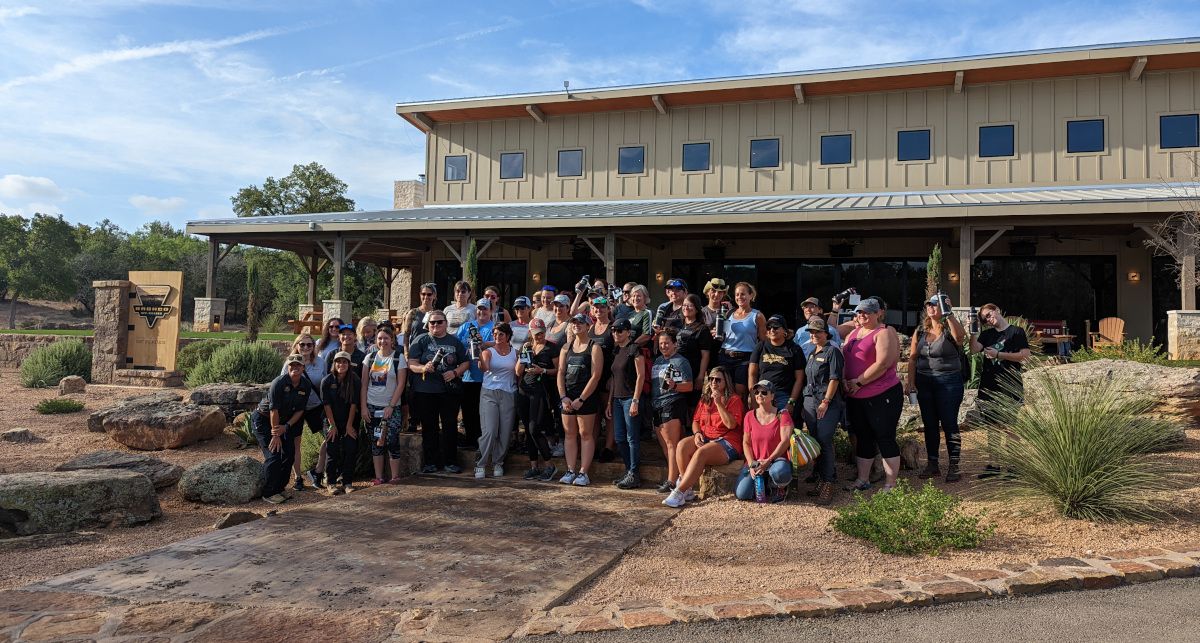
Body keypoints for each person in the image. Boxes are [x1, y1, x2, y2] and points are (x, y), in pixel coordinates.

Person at [841, 298, 903, 493]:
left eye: (867, 312)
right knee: (863, 437)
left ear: (878, 313)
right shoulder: (853, 332)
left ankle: (890, 484)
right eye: (859, 312)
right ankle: (863, 479)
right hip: (855, 395)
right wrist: (845, 380)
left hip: (881, 393)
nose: (862, 315)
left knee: (885, 436)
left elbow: (883, 363)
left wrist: (859, 382)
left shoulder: (884, 332)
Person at [906, 293, 968, 483]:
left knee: (949, 424)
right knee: (930, 424)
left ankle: (954, 465)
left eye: (936, 304)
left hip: (949, 382)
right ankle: (933, 464)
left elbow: (960, 338)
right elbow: (913, 357)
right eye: (929, 305)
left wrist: (949, 314)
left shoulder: (949, 328)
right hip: (925, 382)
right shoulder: (920, 331)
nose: (931, 308)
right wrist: (910, 382)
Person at [664, 366, 745, 508]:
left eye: (718, 379)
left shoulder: (734, 399)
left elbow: (731, 425)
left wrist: (719, 403)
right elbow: (695, 421)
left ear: (726, 381)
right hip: (706, 437)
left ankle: (679, 491)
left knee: (702, 452)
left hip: (727, 441)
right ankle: (687, 490)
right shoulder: (705, 399)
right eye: (711, 379)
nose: (714, 382)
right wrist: (697, 434)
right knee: (682, 445)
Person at [969, 303, 1031, 479]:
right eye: (985, 319)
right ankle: (994, 465)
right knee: (992, 426)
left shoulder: (1016, 332)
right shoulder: (987, 334)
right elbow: (974, 349)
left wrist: (999, 355)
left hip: (1011, 384)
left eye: (989, 314)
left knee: (1011, 426)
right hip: (989, 385)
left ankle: (1013, 466)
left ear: (996, 310)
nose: (989, 319)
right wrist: (973, 330)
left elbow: (1025, 356)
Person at [407, 310, 470, 473]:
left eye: (439, 322)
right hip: (425, 390)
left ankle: (450, 462)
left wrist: (455, 372)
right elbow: (411, 363)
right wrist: (423, 367)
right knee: (429, 428)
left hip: (448, 391)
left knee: (450, 426)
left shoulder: (454, 341)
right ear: (428, 324)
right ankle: (430, 463)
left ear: (446, 323)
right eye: (432, 322)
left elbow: (465, 363)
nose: (435, 325)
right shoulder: (421, 339)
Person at [253, 354, 313, 504]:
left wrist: (286, 427)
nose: (295, 368)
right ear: (288, 367)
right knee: (274, 455)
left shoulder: (305, 385)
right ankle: (268, 492)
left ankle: (279, 488)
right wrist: (276, 434)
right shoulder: (278, 383)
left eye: (298, 365)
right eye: (292, 365)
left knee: (289, 454)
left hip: (283, 423)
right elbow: (273, 411)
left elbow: (300, 410)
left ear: (303, 368)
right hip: (264, 420)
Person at [557, 314, 605, 486]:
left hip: (586, 397)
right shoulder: (566, 347)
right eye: (574, 323)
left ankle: (584, 472)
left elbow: (596, 376)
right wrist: (563, 397)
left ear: (587, 326)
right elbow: (561, 373)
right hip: (568, 397)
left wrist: (582, 399)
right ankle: (570, 470)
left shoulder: (594, 347)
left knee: (585, 434)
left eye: (580, 323)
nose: (576, 325)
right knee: (569, 434)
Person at [800, 318, 844, 504]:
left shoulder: (832, 351)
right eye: (811, 332)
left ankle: (829, 482)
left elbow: (834, 379)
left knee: (825, 439)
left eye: (818, 332)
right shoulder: (811, 353)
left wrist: (826, 401)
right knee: (815, 441)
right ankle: (820, 477)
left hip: (826, 402)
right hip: (810, 401)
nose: (814, 335)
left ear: (826, 333)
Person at [360, 327, 408, 485]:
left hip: (391, 408)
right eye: (380, 338)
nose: (383, 341)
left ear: (392, 340)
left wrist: (391, 406)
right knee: (376, 442)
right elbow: (364, 385)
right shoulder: (370, 358)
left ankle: (395, 476)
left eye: (386, 338)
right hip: (372, 406)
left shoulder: (398, 358)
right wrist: (364, 407)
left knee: (392, 441)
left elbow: (401, 384)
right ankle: (379, 476)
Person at [650, 328, 694, 493]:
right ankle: (674, 477)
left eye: (667, 343)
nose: (663, 346)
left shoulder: (681, 361)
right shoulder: (657, 361)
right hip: (656, 404)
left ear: (675, 344)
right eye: (661, 343)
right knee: (664, 445)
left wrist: (674, 385)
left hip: (673, 402)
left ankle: (672, 481)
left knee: (672, 444)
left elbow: (689, 386)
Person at [734, 379, 793, 503]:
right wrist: (751, 464)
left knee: (779, 472)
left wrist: (769, 460)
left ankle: (781, 487)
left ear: (772, 395)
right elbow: (746, 443)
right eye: (757, 392)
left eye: (764, 392)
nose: (759, 395)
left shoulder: (782, 415)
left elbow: (785, 441)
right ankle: (765, 483)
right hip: (756, 462)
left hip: (776, 460)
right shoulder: (749, 415)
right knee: (741, 493)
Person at [515, 318, 559, 481]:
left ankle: (550, 465)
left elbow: (558, 370)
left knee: (534, 429)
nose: (539, 336)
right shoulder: (526, 347)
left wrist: (543, 370)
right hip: (524, 390)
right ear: (530, 333)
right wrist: (524, 354)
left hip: (539, 391)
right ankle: (534, 466)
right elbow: (518, 371)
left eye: (541, 333)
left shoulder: (551, 348)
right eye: (536, 333)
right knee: (527, 430)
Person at [606, 318, 646, 489]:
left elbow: (641, 376)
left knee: (632, 437)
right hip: (616, 399)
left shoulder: (634, 349)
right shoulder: (616, 350)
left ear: (628, 332)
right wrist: (609, 402)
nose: (616, 333)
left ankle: (634, 473)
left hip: (630, 397)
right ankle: (629, 470)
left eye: (620, 330)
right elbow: (614, 378)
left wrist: (635, 400)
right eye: (614, 330)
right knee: (620, 437)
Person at [284, 333, 325, 491]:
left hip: (315, 406)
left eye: (309, 345)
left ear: (314, 347)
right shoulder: (290, 362)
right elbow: (282, 383)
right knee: (296, 443)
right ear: (296, 346)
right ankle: (298, 478)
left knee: (330, 436)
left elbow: (326, 383)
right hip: (295, 409)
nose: (306, 348)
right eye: (302, 345)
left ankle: (317, 471)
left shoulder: (320, 362)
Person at [477, 323, 517, 478]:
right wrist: (479, 353)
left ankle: (498, 462)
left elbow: (518, 372)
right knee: (490, 430)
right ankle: (481, 463)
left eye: (501, 334)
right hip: (489, 393)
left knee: (505, 431)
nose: (497, 337)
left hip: (509, 393)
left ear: (507, 336)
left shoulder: (515, 352)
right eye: (495, 334)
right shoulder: (488, 351)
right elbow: (485, 367)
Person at [457, 297, 496, 449]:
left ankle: (483, 442)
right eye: (479, 308)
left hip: (486, 376)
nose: (482, 311)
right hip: (467, 375)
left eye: (485, 308)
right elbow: (457, 345)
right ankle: (470, 440)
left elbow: (500, 344)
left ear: (491, 311)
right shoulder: (466, 326)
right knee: (468, 410)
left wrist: (484, 344)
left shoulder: (494, 327)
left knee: (483, 411)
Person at [321, 351, 361, 495]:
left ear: (349, 364)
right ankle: (331, 482)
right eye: (339, 361)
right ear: (334, 363)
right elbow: (327, 406)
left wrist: (349, 425)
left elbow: (353, 404)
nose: (341, 364)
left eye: (345, 362)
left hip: (349, 420)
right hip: (331, 420)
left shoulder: (355, 380)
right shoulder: (327, 381)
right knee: (332, 450)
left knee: (350, 449)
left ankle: (347, 482)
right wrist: (332, 425)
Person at [748, 314, 805, 414]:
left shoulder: (794, 349)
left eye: (776, 327)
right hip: (762, 394)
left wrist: (791, 402)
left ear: (784, 331)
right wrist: (753, 397)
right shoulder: (760, 347)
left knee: (781, 427)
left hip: (783, 395)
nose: (772, 330)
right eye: (769, 327)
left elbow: (799, 379)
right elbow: (752, 374)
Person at [718, 282, 767, 397]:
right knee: (724, 391)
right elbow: (723, 335)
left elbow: (763, 340)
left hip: (745, 358)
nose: (739, 297)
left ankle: (742, 415)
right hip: (725, 356)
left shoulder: (757, 316)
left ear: (751, 296)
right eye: (737, 294)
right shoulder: (728, 313)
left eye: (743, 294)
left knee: (741, 392)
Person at [588, 295, 618, 462]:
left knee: (609, 412)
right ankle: (591, 446)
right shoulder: (590, 328)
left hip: (608, 375)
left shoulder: (612, 328)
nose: (599, 310)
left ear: (608, 309)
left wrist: (613, 377)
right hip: (592, 376)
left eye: (602, 307)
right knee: (595, 412)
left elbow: (617, 353)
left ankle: (608, 447)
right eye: (596, 308)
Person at [676, 294, 713, 415]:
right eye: (685, 305)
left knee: (692, 406)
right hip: (678, 371)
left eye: (690, 305)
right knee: (679, 404)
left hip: (693, 371)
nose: (686, 307)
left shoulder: (702, 329)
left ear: (697, 308)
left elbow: (705, 355)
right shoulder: (680, 325)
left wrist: (700, 377)